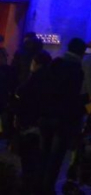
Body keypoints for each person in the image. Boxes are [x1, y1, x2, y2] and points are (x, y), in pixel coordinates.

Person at [37, 37, 86, 194]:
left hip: (47, 114)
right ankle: (47, 187)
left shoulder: (55, 64)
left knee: (44, 153)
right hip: (63, 118)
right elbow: (75, 96)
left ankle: (39, 186)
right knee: (56, 156)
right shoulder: (77, 70)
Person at [14, 51, 50, 194]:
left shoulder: (33, 80)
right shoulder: (50, 79)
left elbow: (23, 96)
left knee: (28, 160)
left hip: (30, 125)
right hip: (43, 125)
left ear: (36, 63)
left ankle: (28, 187)